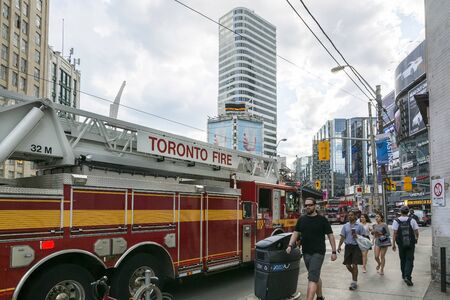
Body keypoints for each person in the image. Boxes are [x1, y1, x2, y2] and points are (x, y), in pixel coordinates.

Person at [287, 197, 337, 300]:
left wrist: (333, 251)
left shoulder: (322, 220)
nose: (308, 207)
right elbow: (296, 233)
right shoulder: (302, 219)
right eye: (306, 205)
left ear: (315, 206)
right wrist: (290, 245)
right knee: (315, 275)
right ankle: (319, 297)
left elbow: (330, 235)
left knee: (312, 278)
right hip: (306, 252)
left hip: (318, 252)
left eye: (310, 205)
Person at [337, 210, 365, 291]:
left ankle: (354, 282)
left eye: (351, 215)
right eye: (348, 215)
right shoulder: (345, 226)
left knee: (355, 265)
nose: (350, 216)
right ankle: (354, 275)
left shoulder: (359, 226)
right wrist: (339, 246)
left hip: (356, 247)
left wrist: (357, 236)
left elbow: (364, 237)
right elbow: (342, 237)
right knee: (348, 265)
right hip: (348, 247)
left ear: (355, 216)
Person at [392, 205, 419, 286]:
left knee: (403, 259)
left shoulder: (396, 221)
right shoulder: (412, 220)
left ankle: (404, 275)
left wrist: (393, 244)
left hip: (401, 244)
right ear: (408, 212)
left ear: (400, 212)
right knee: (409, 260)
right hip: (410, 244)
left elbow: (394, 234)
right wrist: (416, 239)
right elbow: (416, 232)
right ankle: (408, 276)